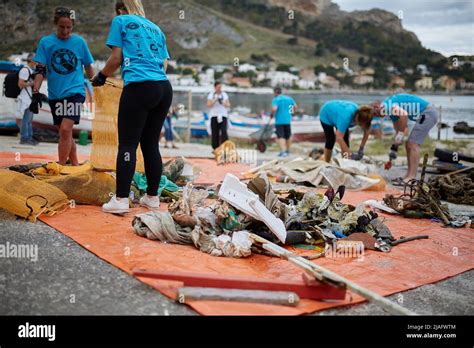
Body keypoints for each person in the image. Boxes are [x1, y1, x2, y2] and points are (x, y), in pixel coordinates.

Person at [93, 0, 173, 214]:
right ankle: (152, 197)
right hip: (164, 89)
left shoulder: (121, 20)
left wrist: (101, 76)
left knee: (128, 145)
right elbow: (164, 64)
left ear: (120, 9)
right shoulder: (155, 28)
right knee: (150, 145)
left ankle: (120, 200)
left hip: (139, 87)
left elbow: (116, 57)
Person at [30, 7, 95, 166]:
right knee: (65, 133)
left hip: (75, 92)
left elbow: (88, 66)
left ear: (72, 26)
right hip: (55, 95)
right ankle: (75, 165)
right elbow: (40, 69)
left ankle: (60, 166)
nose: (65, 31)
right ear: (55, 25)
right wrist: (36, 91)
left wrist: (96, 85)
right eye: (61, 27)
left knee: (65, 130)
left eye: (69, 27)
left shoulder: (79, 42)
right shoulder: (46, 42)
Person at [380, 93, 438, 182]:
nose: (378, 117)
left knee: (413, 144)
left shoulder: (389, 107)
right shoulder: (388, 109)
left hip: (428, 113)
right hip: (426, 113)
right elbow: (400, 131)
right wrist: (394, 147)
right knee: (408, 144)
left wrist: (399, 136)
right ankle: (408, 175)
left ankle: (412, 177)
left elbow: (404, 116)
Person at [271, 87, 297, 157]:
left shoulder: (276, 99)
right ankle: (288, 151)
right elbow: (295, 106)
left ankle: (283, 151)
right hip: (287, 120)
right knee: (288, 136)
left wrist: (271, 115)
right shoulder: (289, 98)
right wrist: (291, 113)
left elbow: (274, 109)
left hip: (279, 121)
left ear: (275, 93)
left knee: (281, 136)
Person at [17, 53, 37, 145]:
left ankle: (29, 137)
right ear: (32, 61)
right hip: (25, 98)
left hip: (29, 98)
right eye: (36, 60)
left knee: (29, 120)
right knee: (26, 119)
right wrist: (32, 83)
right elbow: (20, 84)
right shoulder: (25, 70)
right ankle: (24, 138)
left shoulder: (30, 70)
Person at [207, 81, 230, 150]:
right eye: (218, 87)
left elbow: (228, 104)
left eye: (220, 87)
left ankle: (225, 147)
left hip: (223, 115)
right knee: (215, 133)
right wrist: (215, 100)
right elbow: (208, 105)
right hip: (214, 116)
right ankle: (215, 148)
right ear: (215, 87)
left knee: (224, 131)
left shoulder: (224, 95)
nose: (219, 89)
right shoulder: (211, 95)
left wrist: (222, 102)